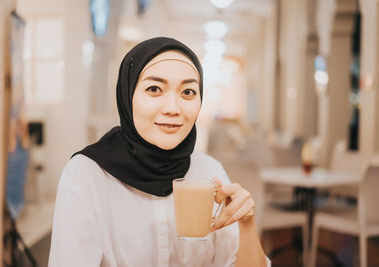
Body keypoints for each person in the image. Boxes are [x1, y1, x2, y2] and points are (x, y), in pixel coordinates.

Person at [48, 37, 270, 267]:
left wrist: (246, 225)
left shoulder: (208, 171)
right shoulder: (87, 175)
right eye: (154, 89)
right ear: (127, 95)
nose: (173, 109)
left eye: (188, 92)